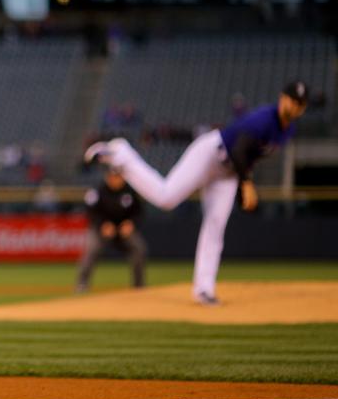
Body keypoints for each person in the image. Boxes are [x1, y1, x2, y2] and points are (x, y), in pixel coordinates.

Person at [85, 81, 309, 305]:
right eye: (292, 99)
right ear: (282, 98)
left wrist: (242, 180)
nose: (294, 105)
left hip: (228, 173)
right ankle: (121, 153)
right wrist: (247, 184)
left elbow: (249, 155)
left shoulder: (287, 129)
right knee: (166, 197)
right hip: (212, 153)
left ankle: (204, 289)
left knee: (216, 226)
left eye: (300, 103)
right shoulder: (264, 119)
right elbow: (240, 148)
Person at [76, 168, 147, 292]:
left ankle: (138, 286)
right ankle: (82, 284)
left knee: (139, 248)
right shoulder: (98, 191)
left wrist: (131, 223)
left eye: (118, 176)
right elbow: (91, 212)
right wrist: (102, 224)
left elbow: (139, 211)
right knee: (91, 249)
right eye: (113, 176)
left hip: (123, 230)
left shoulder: (129, 191)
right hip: (103, 229)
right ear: (107, 177)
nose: (115, 179)